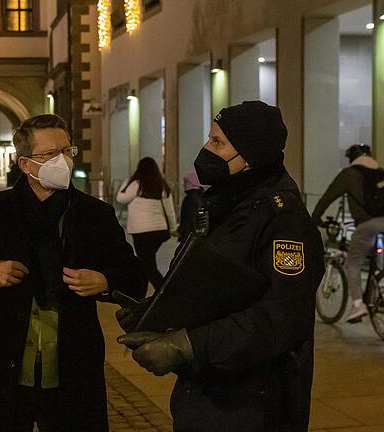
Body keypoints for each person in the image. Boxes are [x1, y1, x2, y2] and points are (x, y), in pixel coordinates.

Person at [0, 114, 147, 431]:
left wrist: (105, 281)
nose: (63, 161)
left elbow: (135, 277)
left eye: (67, 151)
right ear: (26, 164)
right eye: (49, 155)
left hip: (72, 363)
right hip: (4, 362)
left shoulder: (93, 214)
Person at [117, 101, 325, 431]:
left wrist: (187, 345)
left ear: (250, 156)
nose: (206, 149)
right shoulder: (228, 202)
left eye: (218, 142)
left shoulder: (284, 220)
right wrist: (158, 312)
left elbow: (282, 317)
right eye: (209, 138)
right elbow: (214, 286)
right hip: (208, 396)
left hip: (252, 406)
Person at [312, 144, 384, 322]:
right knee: (380, 262)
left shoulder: (349, 174)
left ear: (351, 158)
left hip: (369, 224)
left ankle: (358, 305)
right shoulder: (381, 172)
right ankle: (378, 286)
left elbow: (326, 199)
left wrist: (315, 219)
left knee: (352, 263)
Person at [116, 157, 177, 291]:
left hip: (141, 231)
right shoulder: (162, 185)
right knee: (146, 263)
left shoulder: (136, 184)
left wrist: (128, 181)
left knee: (147, 266)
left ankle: (163, 293)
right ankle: (143, 295)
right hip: (159, 230)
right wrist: (172, 228)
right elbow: (170, 210)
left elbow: (120, 198)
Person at [177, 171, 205, 242]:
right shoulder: (202, 196)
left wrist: (181, 229)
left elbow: (188, 216)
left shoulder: (190, 198)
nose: (184, 184)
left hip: (190, 231)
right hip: (199, 230)